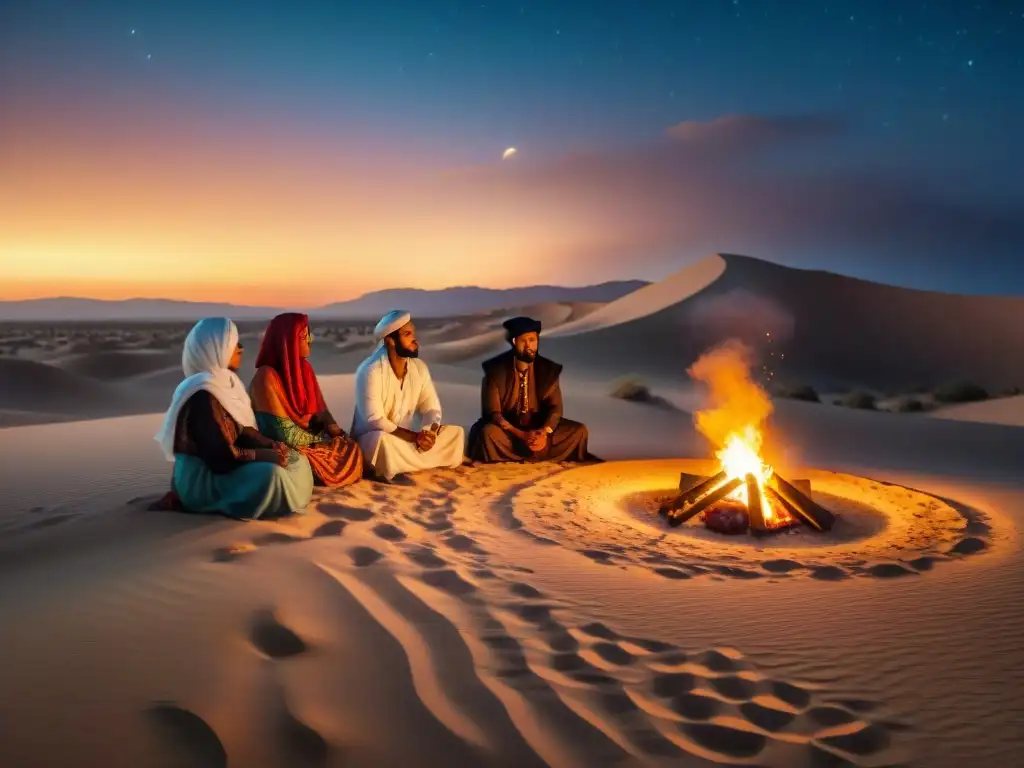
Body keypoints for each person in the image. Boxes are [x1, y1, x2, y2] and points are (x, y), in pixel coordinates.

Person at [152, 317, 314, 519]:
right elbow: (219, 458)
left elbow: (241, 430)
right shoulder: (202, 393)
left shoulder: (227, 384)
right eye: (233, 343)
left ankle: (281, 500)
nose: (240, 349)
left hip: (231, 462)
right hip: (204, 478)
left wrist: (272, 445)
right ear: (215, 348)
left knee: (297, 459)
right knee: (272, 476)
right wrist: (265, 455)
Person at [249, 312, 364, 487]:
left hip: (311, 440)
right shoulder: (266, 377)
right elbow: (282, 432)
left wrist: (335, 430)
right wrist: (321, 443)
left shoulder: (305, 370)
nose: (310, 340)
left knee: (351, 448)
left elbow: (322, 412)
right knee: (296, 459)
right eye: (304, 336)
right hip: (284, 445)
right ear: (287, 341)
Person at [351, 310, 465, 481]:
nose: (415, 339)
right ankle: (416, 461)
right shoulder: (370, 371)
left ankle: (409, 461)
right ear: (390, 341)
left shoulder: (419, 368)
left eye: (413, 333)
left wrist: (429, 433)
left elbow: (432, 408)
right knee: (383, 442)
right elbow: (375, 419)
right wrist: (415, 437)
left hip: (410, 441)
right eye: (407, 334)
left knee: (455, 433)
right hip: (379, 439)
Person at [467, 315, 595, 463]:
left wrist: (544, 432)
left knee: (579, 431)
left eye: (532, 340)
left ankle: (539, 452)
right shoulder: (496, 371)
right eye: (524, 341)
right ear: (514, 342)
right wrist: (521, 435)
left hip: (539, 427)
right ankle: (511, 459)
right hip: (509, 430)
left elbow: (555, 409)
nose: (529, 346)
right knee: (488, 433)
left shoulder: (548, 370)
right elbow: (494, 414)